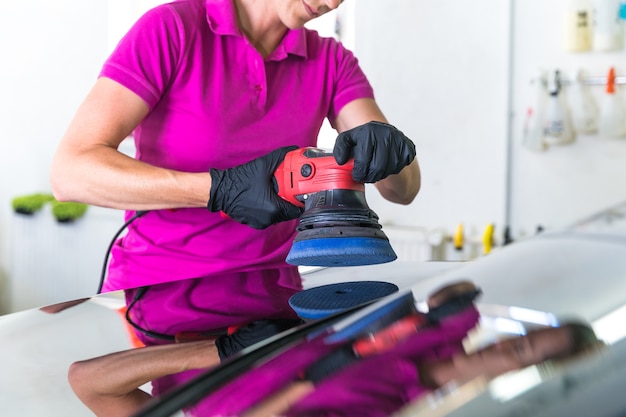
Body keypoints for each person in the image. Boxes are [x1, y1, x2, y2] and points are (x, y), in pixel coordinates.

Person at [49, 0, 420, 348]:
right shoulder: (173, 29)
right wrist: (219, 189)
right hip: (158, 299)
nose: (333, 2)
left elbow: (403, 190)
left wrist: (391, 152)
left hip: (275, 301)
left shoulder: (331, 61)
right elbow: (71, 171)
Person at [66, 280, 479, 417]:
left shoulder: (195, 402)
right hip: (269, 258)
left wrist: (223, 351)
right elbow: (459, 299)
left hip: (177, 288)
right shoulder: (397, 389)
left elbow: (88, 381)